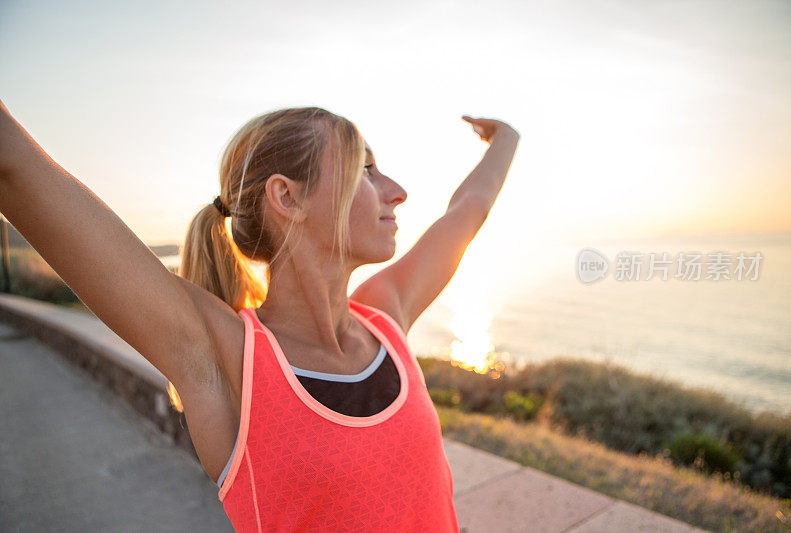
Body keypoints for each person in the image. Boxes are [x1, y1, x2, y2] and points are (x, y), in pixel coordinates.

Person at [0, 100, 519, 531]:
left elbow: (466, 211)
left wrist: (506, 139)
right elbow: (18, 167)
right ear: (286, 197)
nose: (397, 192)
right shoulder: (229, 358)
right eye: (364, 169)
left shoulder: (384, 318)